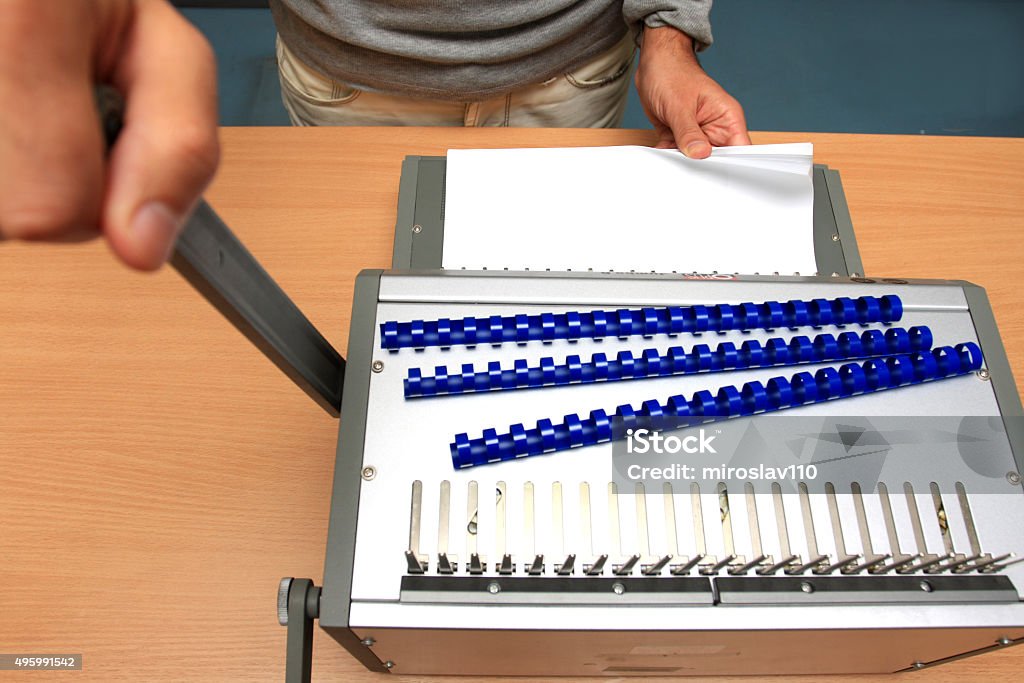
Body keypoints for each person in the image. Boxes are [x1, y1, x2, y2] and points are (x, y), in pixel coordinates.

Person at [0, 0, 747, 272]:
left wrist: (668, 33)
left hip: (566, 67)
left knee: (547, 280)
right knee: (358, 283)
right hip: (349, 77)